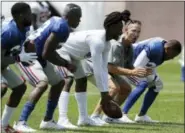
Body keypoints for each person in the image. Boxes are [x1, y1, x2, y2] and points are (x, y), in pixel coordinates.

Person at [13, 3, 82, 132]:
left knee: (58, 82)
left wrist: (63, 62)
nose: (80, 20)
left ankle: (48, 121)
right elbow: (47, 53)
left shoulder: (57, 21)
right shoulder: (62, 27)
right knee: (42, 83)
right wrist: (66, 64)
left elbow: (47, 50)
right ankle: (21, 122)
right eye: (78, 16)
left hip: (38, 55)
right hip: (28, 55)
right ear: (70, 16)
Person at [57, 11, 125, 127]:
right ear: (111, 27)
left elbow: (103, 69)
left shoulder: (107, 44)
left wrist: (105, 93)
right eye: (119, 28)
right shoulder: (97, 41)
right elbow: (97, 69)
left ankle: (83, 118)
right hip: (61, 49)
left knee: (82, 80)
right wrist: (104, 93)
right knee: (68, 80)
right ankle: (62, 119)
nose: (121, 31)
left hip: (75, 55)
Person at [86, 20, 150, 124]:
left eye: (138, 32)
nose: (136, 34)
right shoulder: (116, 44)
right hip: (92, 66)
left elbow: (128, 66)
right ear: (125, 30)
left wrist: (141, 72)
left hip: (105, 68)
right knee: (113, 87)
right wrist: (133, 73)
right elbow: (111, 68)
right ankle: (95, 116)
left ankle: (110, 116)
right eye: (133, 31)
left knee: (126, 88)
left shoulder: (129, 46)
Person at [122, 37, 182, 123]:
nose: (172, 58)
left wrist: (152, 77)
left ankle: (141, 116)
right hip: (126, 64)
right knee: (142, 83)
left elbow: (150, 66)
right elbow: (136, 67)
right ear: (168, 49)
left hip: (136, 65)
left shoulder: (163, 50)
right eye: (173, 55)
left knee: (157, 85)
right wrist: (148, 75)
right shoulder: (155, 48)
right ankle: (123, 114)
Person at [1, 2, 35, 133]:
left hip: (3, 64)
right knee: (2, 87)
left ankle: (3, 126)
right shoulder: (8, 32)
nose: (31, 16)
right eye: (29, 13)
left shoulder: (25, 28)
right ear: (21, 16)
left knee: (20, 87)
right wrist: (19, 58)